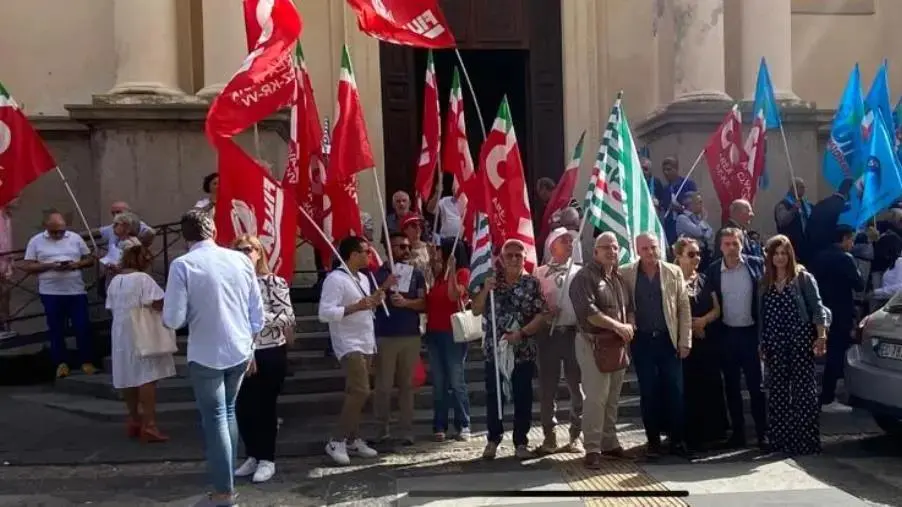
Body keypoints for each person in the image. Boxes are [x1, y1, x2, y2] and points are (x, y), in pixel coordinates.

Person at [161, 210, 264, 507]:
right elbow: (257, 313)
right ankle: (226, 485)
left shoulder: (182, 264)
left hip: (207, 350)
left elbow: (173, 318)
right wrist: (251, 344)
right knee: (227, 412)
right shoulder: (241, 260)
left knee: (217, 416)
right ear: (214, 231)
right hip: (240, 347)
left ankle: (223, 492)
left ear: (185, 236)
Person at [319, 236, 395, 465]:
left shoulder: (362, 277)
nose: (369, 255)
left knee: (355, 392)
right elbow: (324, 313)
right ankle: (337, 439)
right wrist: (357, 306)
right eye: (365, 251)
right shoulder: (334, 279)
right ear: (352, 254)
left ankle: (353, 438)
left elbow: (366, 304)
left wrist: (378, 295)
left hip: (365, 341)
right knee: (361, 391)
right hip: (348, 343)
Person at [471, 239, 546, 460]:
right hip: (495, 350)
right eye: (509, 255)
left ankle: (521, 442)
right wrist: (486, 289)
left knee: (523, 396)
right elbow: (475, 310)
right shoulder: (491, 282)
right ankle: (493, 440)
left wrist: (521, 334)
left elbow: (542, 314)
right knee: (494, 396)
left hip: (522, 350)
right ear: (501, 259)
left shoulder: (532, 283)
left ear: (525, 258)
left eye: (518, 256)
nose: (513, 259)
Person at [621, 233, 692, 458]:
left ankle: (677, 440)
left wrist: (685, 341)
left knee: (675, 391)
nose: (650, 252)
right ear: (637, 250)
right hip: (642, 342)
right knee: (649, 392)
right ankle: (652, 441)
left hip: (668, 340)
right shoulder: (626, 273)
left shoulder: (673, 271)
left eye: (653, 247)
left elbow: (683, 308)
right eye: (644, 249)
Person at [232, 235, 296, 484]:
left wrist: (256, 317)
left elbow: (286, 317)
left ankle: (267, 458)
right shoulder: (231, 283)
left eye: (250, 249)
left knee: (264, 407)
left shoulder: (273, 282)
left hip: (268, 350)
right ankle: (252, 454)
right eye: (240, 249)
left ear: (259, 253)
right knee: (242, 407)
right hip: (239, 350)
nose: (246, 253)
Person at [759, 235, 830, 455]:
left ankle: (806, 442)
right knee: (778, 393)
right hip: (774, 344)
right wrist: (761, 342)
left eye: (783, 253)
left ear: (789, 254)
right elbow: (761, 315)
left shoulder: (803, 278)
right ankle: (780, 441)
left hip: (799, 341)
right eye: (775, 254)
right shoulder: (765, 282)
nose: (779, 258)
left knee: (804, 392)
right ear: (770, 257)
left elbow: (817, 308)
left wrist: (821, 336)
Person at [568, 232, 632, 468]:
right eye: (605, 247)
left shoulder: (618, 278)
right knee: (596, 398)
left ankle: (610, 443)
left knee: (613, 397)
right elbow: (589, 313)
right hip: (592, 344)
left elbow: (630, 308)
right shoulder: (584, 278)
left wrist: (630, 326)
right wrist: (618, 326)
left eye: (614, 248)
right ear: (594, 252)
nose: (611, 252)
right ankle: (593, 448)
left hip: (617, 345)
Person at [106, 237, 175, 443]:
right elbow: (158, 303)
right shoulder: (143, 280)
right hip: (142, 331)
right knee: (146, 377)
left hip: (120, 331)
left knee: (128, 375)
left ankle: (134, 419)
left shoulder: (115, 281)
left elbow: (110, 306)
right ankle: (150, 424)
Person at [704, 227, 767, 450]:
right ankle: (738, 433)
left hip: (751, 335)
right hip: (727, 335)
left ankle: (762, 433)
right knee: (731, 387)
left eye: (735, 243)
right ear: (720, 246)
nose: (731, 248)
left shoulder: (757, 264)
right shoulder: (713, 271)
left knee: (756, 387)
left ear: (742, 244)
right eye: (727, 244)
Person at [23, 210, 96, 378]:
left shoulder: (75, 238)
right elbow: (28, 266)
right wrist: (50, 265)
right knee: (56, 329)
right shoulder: (36, 241)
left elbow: (89, 259)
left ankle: (87, 361)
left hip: (75, 290)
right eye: (54, 231)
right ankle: (61, 364)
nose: (58, 234)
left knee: (82, 326)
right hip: (50, 292)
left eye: (61, 230)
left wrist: (76, 265)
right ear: (46, 227)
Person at [372, 232, 427, 444]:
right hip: (385, 335)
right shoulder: (378, 273)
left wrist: (407, 303)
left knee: (407, 385)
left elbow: (423, 303)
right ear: (389, 249)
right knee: (383, 386)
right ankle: (382, 428)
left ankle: (406, 430)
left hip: (410, 335)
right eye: (400, 247)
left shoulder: (417, 274)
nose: (405, 251)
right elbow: (370, 302)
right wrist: (385, 286)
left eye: (407, 247)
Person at [673, 237, 727, 450]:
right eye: (691, 254)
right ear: (679, 257)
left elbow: (716, 308)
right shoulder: (672, 281)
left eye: (698, 254)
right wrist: (689, 328)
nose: (697, 258)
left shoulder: (705, 279)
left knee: (710, 385)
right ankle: (686, 434)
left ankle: (712, 432)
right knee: (687, 388)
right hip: (683, 344)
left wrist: (704, 321)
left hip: (706, 342)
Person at [533, 228, 584, 455]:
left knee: (577, 386)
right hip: (549, 335)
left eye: (571, 241)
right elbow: (533, 304)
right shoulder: (540, 273)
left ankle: (576, 435)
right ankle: (549, 435)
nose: (570, 244)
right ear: (553, 245)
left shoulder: (580, 272)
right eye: (565, 241)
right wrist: (545, 311)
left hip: (574, 334)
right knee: (548, 387)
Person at [808, 225, 864, 409]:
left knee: (818, 352)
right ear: (845, 238)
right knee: (835, 353)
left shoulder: (818, 257)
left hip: (820, 311)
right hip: (840, 313)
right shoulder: (846, 259)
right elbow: (859, 285)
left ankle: (810, 392)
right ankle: (827, 396)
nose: (852, 244)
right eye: (851, 240)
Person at [424, 239, 471, 442]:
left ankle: (464, 424)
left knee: (456, 380)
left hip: (453, 334)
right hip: (434, 333)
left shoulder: (462, 273)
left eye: (439, 250)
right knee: (439, 382)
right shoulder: (436, 276)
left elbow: (454, 296)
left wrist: (451, 271)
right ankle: (439, 424)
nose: (436, 253)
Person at [773, 178, 812, 263]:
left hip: (805, 247)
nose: (804, 190)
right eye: (801, 187)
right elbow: (782, 221)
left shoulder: (806, 205)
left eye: (804, 187)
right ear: (793, 188)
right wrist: (794, 209)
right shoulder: (783, 205)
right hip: (790, 246)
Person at [661, 157, 698, 243]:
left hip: (687, 229)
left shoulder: (688, 185)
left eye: (669, 169)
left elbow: (696, 209)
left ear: (676, 169)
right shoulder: (665, 189)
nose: (666, 173)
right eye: (664, 170)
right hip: (670, 231)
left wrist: (680, 208)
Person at [674, 192, 715, 268]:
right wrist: (703, 220)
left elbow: (709, 234)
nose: (702, 205)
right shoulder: (682, 218)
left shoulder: (697, 218)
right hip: (690, 256)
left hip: (703, 253)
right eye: (699, 202)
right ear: (691, 204)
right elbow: (698, 232)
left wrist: (703, 229)